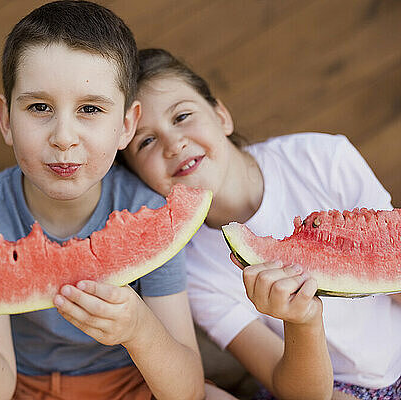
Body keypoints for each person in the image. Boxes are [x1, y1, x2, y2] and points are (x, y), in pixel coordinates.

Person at [0, 3, 236, 399]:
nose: (63, 137)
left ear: (126, 126)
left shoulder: (150, 213)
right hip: (21, 388)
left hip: (136, 380)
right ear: (6, 120)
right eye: (40, 107)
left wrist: (139, 329)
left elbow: (185, 392)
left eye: (90, 109)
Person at [119, 48, 401, 400]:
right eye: (145, 141)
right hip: (334, 388)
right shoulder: (192, 270)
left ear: (221, 115)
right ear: (139, 179)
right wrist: (302, 322)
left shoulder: (323, 157)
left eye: (182, 116)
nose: (173, 143)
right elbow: (297, 392)